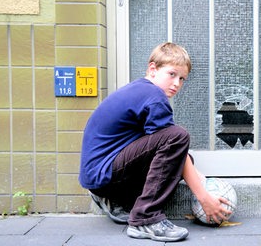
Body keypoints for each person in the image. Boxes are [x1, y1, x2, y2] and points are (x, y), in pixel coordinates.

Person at [78, 42, 231, 242]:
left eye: (182, 78)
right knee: (177, 136)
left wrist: (203, 182)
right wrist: (204, 197)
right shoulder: (153, 96)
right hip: (105, 175)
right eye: (172, 74)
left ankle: (120, 201)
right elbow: (172, 142)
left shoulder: (140, 90)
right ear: (153, 69)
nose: (177, 83)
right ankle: (145, 219)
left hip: (100, 177)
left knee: (182, 157)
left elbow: (174, 155)